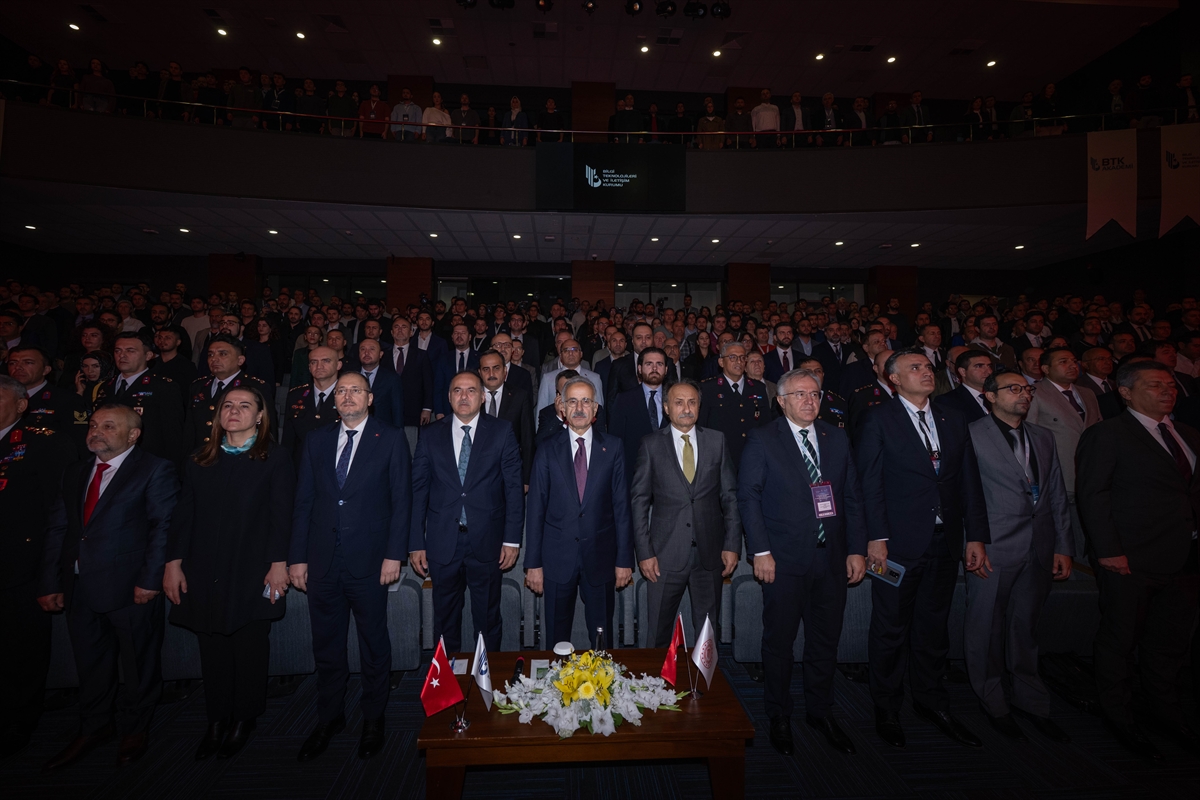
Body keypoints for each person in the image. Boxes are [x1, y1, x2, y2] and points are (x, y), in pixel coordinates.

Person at [856, 350, 989, 749]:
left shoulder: (953, 418)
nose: (926, 372)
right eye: (915, 367)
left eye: (928, 366)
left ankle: (931, 702)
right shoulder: (878, 418)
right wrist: (876, 538)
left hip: (945, 542)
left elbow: (968, 480)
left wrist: (975, 535)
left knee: (933, 628)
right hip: (895, 546)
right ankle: (887, 707)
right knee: (890, 628)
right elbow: (869, 483)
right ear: (894, 379)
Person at [38, 405, 179, 771]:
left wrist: (150, 580)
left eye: (109, 426)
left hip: (131, 588)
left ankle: (135, 728)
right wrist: (51, 581)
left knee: (138, 664)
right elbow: (59, 528)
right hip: (79, 586)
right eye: (93, 425)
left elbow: (162, 527)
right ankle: (95, 726)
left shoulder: (155, 469)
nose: (96, 431)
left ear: (133, 435)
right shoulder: (75, 471)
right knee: (89, 663)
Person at [739, 368, 867, 756]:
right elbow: (749, 499)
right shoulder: (763, 439)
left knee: (825, 641)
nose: (810, 401)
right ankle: (779, 714)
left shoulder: (837, 437)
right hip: (782, 562)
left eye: (815, 394)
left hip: (832, 560)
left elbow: (852, 497)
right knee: (779, 643)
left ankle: (821, 711)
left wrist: (856, 549)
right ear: (781, 401)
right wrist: (760, 552)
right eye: (800, 394)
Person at [1076, 361, 1200, 759]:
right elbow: (1093, 495)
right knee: (1121, 640)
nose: (1167, 391)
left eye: (1171, 385)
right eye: (1154, 385)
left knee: (1169, 643)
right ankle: (1120, 717)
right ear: (1126, 392)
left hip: (1186, 558)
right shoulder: (1107, 434)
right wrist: (1108, 550)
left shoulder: (1188, 434)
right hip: (1130, 558)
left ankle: (1167, 713)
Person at [164, 386, 294, 760]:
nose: (234, 411)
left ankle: (244, 718)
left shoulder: (274, 458)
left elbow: (281, 515)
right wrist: (173, 563)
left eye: (244, 405)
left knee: (249, 643)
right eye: (228, 405)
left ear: (260, 416)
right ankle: (217, 718)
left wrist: (279, 564)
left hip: (253, 567)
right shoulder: (198, 458)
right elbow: (183, 516)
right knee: (212, 646)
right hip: (204, 568)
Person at [288, 372, 411, 762]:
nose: (347, 396)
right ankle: (329, 717)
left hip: (371, 561)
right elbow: (303, 501)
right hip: (322, 560)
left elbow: (402, 501)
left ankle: (373, 717)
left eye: (356, 390)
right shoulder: (316, 440)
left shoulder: (390, 438)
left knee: (373, 644)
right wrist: (297, 557)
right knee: (326, 646)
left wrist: (394, 554)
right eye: (341, 391)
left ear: (370, 398)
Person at [965, 372, 1073, 743]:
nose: (1024, 394)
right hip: (993, 546)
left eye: (1027, 389)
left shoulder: (1042, 436)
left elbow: (1055, 493)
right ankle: (993, 701)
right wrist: (973, 541)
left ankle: (1032, 702)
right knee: (987, 628)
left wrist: (1063, 545)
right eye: (1014, 389)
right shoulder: (970, 434)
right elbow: (964, 495)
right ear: (989, 396)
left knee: (1025, 628)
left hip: (1039, 546)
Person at [409, 371, 524, 652]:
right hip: (442, 542)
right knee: (445, 619)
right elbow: (418, 491)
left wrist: (511, 540)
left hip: (487, 541)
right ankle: (448, 676)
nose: (464, 396)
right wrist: (415, 542)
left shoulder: (501, 431)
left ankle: (486, 675)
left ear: (482, 397)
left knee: (488, 619)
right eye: (457, 390)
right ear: (449, 397)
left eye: (471, 390)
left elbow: (513, 489)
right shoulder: (430, 434)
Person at [525, 377, 634, 648]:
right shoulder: (547, 449)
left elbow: (622, 507)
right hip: (556, 559)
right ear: (562, 408)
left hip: (601, 558)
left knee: (602, 638)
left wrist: (624, 560)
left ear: (596, 408)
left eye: (586, 401)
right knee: (556, 638)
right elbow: (536, 509)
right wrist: (533, 564)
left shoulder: (614, 448)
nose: (579, 407)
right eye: (572, 401)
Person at [630, 376, 739, 648]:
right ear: (666, 408)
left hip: (710, 554)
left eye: (692, 402)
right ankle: (655, 678)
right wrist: (644, 552)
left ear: (699, 406)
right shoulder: (650, 445)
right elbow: (639, 502)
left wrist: (732, 545)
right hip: (664, 556)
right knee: (658, 631)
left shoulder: (717, 441)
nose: (686, 408)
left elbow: (729, 497)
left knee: (707, 634)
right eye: (679, 402)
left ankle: (705, 677)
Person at [0, 376, 77, 758]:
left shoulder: (46, 443)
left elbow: (58, 513)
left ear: (20, 405)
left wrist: (51, 571)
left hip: (21, 563)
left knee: (21, 649)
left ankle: (17, 722)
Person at [1026, 347, 1101, 558]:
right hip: (1060, 477)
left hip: (1092, 475)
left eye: (1073, 361)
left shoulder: (1087, 393)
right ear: (1045, 368)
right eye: (1063, 361)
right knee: (1068, 537)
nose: (1071, 365)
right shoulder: (1035, 393)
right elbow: (1030, 436)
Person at [93, 332, 185, 463]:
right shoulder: (105, 386)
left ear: (148, 355)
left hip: (146, 461)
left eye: (130, 351)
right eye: (118, 351)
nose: (122, 355)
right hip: (108, 459)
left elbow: (173, 435)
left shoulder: (163, 387)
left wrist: (170, 468)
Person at [185, 334, 268, 451]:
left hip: (237, 455)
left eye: (223, 354)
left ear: (240, 360)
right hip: (200, 455)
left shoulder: (255, 387)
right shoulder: (198, 386)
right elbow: (189, 429)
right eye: (210, 354)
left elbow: (266, 429)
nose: (214, 359)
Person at [699, 342, 774, 467]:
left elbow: (766, 424)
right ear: (721, 362)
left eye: (742, 357)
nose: (738, 361)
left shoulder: (758, 388)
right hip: (721, 457)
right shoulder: (708, 389)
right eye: (733, 357)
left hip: (753, 456)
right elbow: (702, 426)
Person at [608, 347, 671, 487]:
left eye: (659, 364)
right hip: (635, 476)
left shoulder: (676, 399)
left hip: (670, 478)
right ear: (639, 369)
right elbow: (615, 440)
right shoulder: (624, 399)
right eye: (649, 364)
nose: (654, 368)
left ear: (666, 369)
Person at [478, 348, 535, 487]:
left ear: (505, 371)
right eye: (486, 369)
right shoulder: (472, 397)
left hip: (510, 473)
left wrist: (526, 479)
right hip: (478, 474)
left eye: (496, 368)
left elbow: (527, 439)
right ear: (479, 373)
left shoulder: (519, 397)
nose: (491, 374)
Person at [282, 346, 341, 469]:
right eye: (314, 362)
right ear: (309, 367)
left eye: (326, 361)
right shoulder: (296, 396)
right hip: (301, 466)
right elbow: (288, 440)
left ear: (338, 365)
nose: (319, 366)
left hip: (335, 466)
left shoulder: (347, 396)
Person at [381, 317, 434, 455]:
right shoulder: (382, 355)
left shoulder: (421, 355)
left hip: (413, 411)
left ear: (411, 332)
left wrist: (427, 408)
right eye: (396, 327)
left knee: (410, 450)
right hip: (387, 412)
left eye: (404, 327)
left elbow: (428, 383)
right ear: (391, 332)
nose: (400, 330)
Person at [933, 350, 994, 422]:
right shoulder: (948, 401)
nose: (989, 371)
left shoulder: (998, 394)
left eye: (989, 366)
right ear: (963, 372)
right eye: (979, 366)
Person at [357, 338, 404, 430]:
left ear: (381, 354)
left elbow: (397, 411)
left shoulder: (392, 378)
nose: (366, 353)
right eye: (363, 349)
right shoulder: (350, 377)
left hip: (382, 430)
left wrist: (398, 434)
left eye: (372, 349)